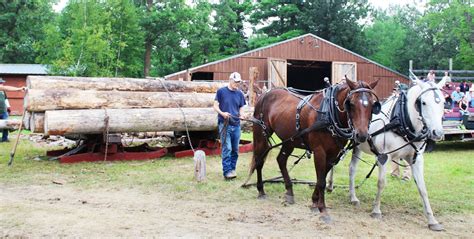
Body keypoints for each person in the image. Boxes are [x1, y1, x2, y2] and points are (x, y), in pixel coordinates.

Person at [213, 72, 246, 180]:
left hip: (236, 125)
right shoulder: (221, 92)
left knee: (235, 149)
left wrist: (241, 115)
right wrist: (222, 113)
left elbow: (241, 107)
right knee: (227, 148)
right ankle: (227, 171)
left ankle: (232, 169)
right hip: (224, 124)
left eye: (238, 82)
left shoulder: (240, 94)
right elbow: (215, 106)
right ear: (230, 80)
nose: (237, 84)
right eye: (236, 82)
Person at [0, 78, 25, 142]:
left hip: (3, 111)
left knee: (6, 124)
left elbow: (6, 97)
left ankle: (4, 139)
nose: (2, 84)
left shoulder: (3, 91)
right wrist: (18, 89)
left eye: (2, 83)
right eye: (1, 83)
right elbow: (7, 87)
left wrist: (8, 107)